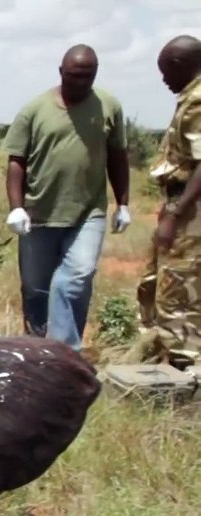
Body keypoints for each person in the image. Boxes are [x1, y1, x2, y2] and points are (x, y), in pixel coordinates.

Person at [1, 44, 132, 352]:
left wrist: (123, 203)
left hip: (88, 212)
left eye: (88, 76)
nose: (81, 82)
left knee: (73, 279)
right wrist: (16, 208)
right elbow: (16, 160)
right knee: (36, 290)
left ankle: (64, 355)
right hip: (39, 212)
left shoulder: (108, 106)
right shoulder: (35, 110)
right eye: (74, 76)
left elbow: (118, 156)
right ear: (61, 72)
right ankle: (37, 353)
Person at [139, 35, 201, 374]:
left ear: (179, 65)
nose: (163, 80)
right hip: (181, 206)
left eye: (165, 72)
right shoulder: (189, 97)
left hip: (190, 213)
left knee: (178, 293)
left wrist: (175, 215)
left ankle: (185, 373)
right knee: (161, 283)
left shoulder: (198, 99)